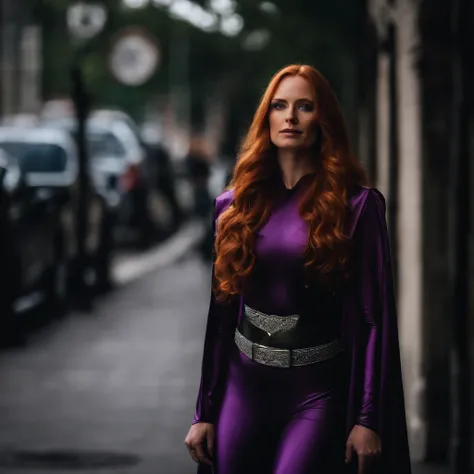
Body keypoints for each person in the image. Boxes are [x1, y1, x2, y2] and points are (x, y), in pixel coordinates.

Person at [184, 64, 411, 474]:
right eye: (280, 105)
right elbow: (221, 317)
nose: (290, 117)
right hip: (242, 388)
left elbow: (373, 319)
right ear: (266, 117)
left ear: (323, 120)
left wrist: (367, 418)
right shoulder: (233, 208)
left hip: (317, 393)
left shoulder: (358, 207)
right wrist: (205, 411)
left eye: (304, 106)